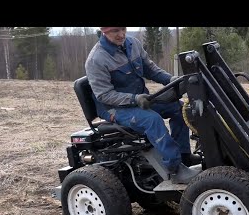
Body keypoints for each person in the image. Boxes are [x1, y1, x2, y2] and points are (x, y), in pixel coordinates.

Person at [85, 27, 200, 184]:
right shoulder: (96, 60)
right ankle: (175, 168)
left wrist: (171, 79)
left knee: (181, 109)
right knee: (151, 120)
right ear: (104, 32)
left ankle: (184, 156)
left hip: (140, 99)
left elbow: (150, 69)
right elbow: (104, 95)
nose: (121, 34)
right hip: (115, 108)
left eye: (123, 29)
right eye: (115, 31)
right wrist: (134, 99)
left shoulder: (133, 44)